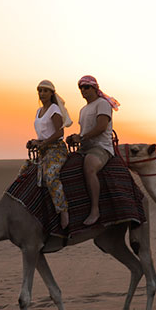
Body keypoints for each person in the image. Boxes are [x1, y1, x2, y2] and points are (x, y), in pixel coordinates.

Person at [68, 75, 120, 226]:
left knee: (89, 167)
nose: (83, 90)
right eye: (81, 88)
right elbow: (83, 131)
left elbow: (101, 127)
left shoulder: (102, 104)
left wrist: (82, 137)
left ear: (95, 88)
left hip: (101, 147)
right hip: (85, 148)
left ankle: (95, 209)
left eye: (86, 87)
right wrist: (75, 138)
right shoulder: (83, 109)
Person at [22, 80, 73, 228]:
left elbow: (59, 132)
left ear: (52, 93)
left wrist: (44, 143)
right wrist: (34, 142)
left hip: (56, 149)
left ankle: (63, 210)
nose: (42, 93)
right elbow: (43, 134)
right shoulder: (39, 111)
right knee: (24, 172)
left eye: (45, 91)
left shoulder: (54, 109)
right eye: (40, 90)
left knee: (51, 176)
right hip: (43, 150)